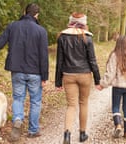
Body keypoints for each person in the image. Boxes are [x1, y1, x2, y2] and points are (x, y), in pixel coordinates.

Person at [0, 3, 48, 141]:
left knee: (18, 98)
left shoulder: (13, 26)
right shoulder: (41, 31)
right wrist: (45, 76)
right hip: (35, 72)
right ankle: (33, 130)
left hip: (17, 71)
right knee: (35, 101)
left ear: (24, 12)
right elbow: (44, 55)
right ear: (37, 15)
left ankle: (17, 119)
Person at [55, 12, 101, 144]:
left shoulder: (62, 37)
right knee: (83, 103)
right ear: (84, 23)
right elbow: (92, 61)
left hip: (68, 75)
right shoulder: (87, 38)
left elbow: (60, 62)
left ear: (70, 21)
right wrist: (98, 80)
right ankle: (82, 134)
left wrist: (58, 82)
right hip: (85, 75)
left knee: (71, 105)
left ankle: (67, 135)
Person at [98, 35, 126, 139]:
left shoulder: (114, 56)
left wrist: (103, 84)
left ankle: (118, 125)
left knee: (115, 106)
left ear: (117, 44)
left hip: (118, 86)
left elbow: (110, 73)